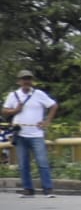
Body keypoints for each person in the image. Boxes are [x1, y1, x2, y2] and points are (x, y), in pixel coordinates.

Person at [3, 69, 59, 197]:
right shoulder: (13, 95)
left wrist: (47, 121)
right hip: (20, 133)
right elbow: (5, 111)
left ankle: (48, 189)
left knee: (42, 162)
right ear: (19, 81)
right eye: (24, 79)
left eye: (28, 79)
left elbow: (54, 105)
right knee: (23, 164)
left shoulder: (38, 94)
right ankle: (28, 189)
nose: (26, 81)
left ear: (31, 81)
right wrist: (15, 110)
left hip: (36, 134)